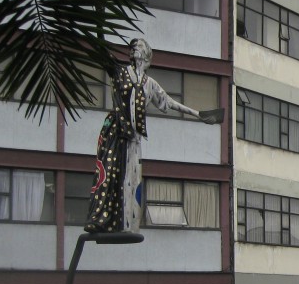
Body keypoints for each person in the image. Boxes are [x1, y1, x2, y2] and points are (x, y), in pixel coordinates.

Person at [85, 38, 221, 234]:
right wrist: (98, 28)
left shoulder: (149, 84)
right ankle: (101, 219)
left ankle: (128, 226)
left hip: (134, 138)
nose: (134, 49)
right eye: (132, 47)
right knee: (110, 174)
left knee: (132, 179)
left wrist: (197, 114)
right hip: (115, 132)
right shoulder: (120, 72)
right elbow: (102, 53)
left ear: (147, 54)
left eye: (138, 46)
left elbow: (170, 102)